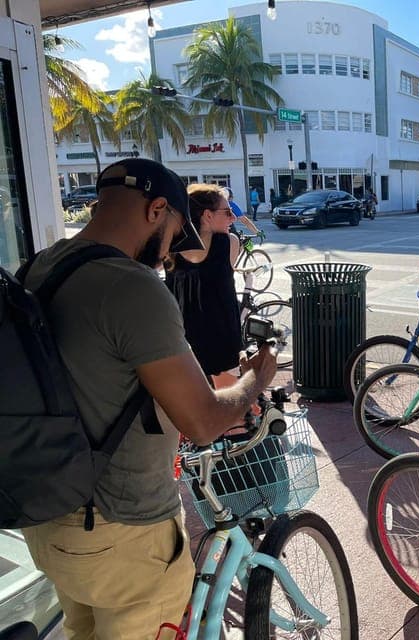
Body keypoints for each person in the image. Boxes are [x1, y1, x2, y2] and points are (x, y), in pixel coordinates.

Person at [19, 158, 277, 640]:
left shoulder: (39, 266)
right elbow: (201, 420)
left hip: (48, 518)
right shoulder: (129, 285)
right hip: (126, 534)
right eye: (175, 232)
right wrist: (255, 380)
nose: (167, 257)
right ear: (157, 209)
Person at [165, 184, 242, 389]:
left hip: (182, 343)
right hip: (222, 341)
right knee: (229, 406)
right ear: (207, 215)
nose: (232, 218)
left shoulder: (170, 250)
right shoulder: (229, 243)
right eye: (227, 212)